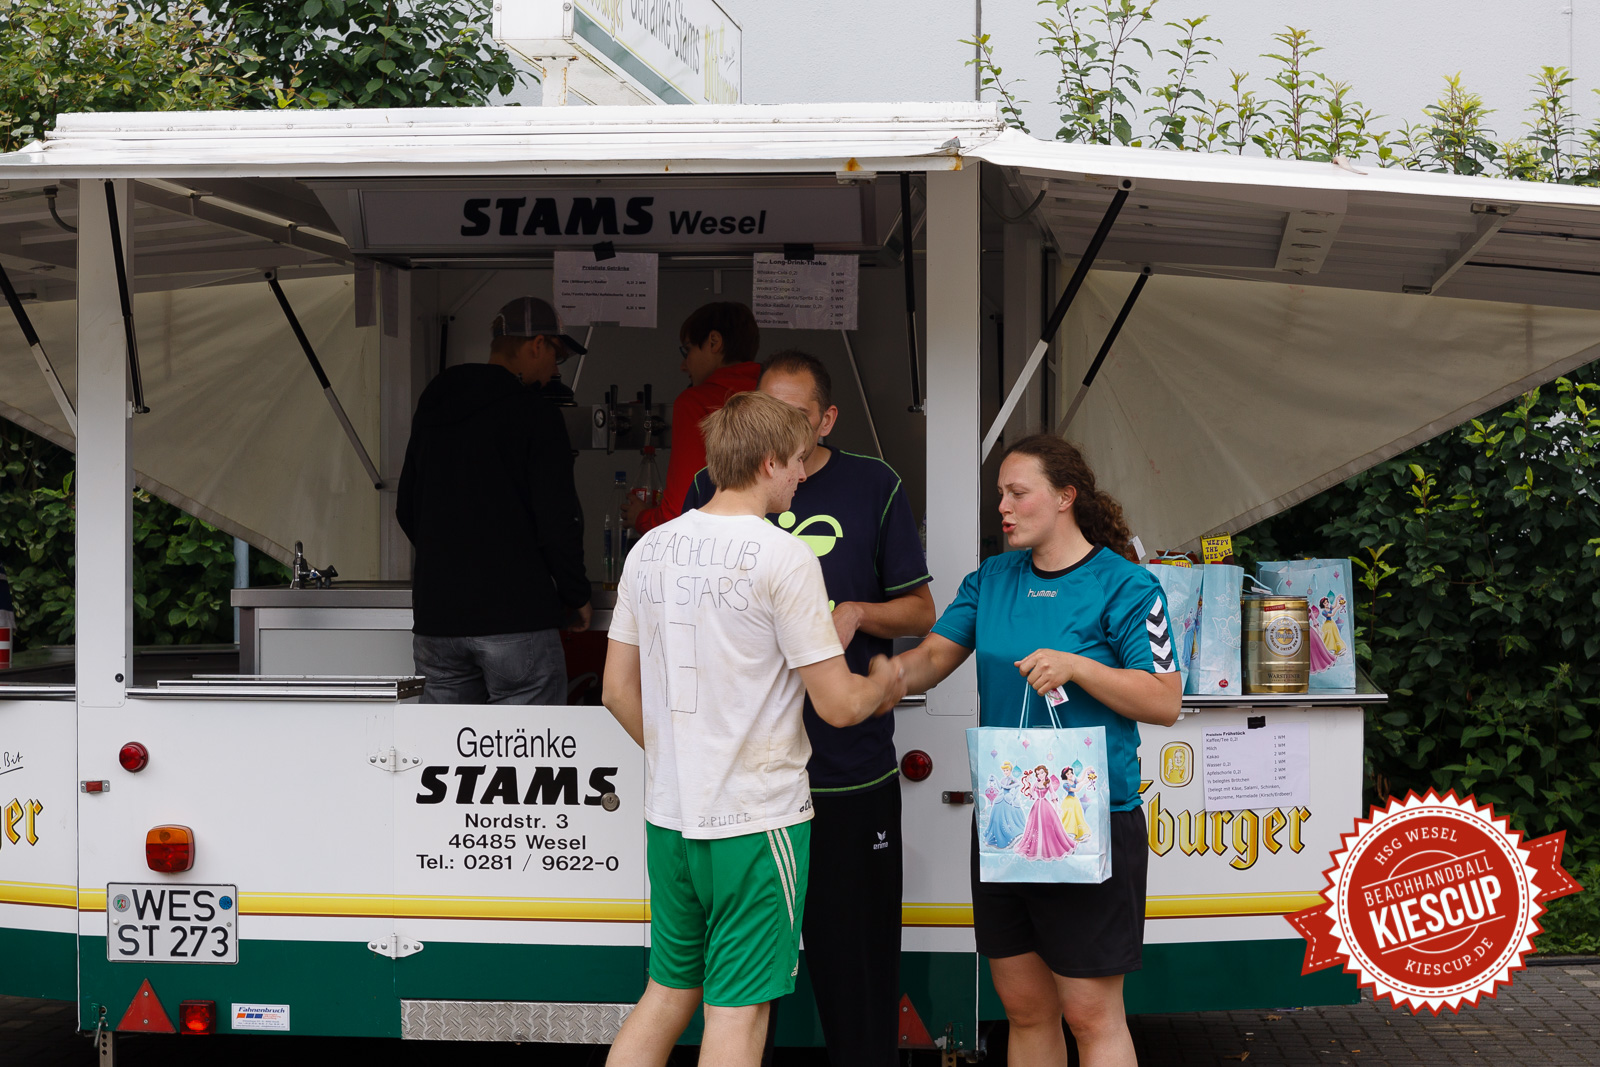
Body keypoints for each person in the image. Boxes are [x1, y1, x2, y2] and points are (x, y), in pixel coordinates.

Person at [602, 391, 905, 1067]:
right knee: (739, 1013)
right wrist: (883, 684)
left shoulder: (649, 548)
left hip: (671, 819)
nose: (803, 475)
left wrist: (687, 757)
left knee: (666, 994)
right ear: (768, 461)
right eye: (797, 462)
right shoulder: (785, 555)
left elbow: (617, 692)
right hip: (756, 821)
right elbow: (835, 704)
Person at [890, 434, 1182, 1067]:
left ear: (1065, 497)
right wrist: (872, 686)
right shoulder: (990, 579)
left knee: (1090, 1014)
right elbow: (933, 657)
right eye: (1001, 494)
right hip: (1006, 821)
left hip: (1094, 822)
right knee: (1023, 1009)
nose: (1004, 506)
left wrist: (1078, 666)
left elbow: (1164, 700)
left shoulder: (1128, 587)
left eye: (1018, 493)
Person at [682, 350, 934, 1067]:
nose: (776, 430)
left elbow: (922, 608)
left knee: (855, 978)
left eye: (794, 415)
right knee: (736, 985)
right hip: (748, 789)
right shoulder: (714, 486)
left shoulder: (873, 484)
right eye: (764, 407)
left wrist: (858, 612)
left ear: (826, 420)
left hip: (847, 773)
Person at [396, 296, 592, 705]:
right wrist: (575, 595)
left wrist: (452, 560)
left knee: (445, 758)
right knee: (528, 758)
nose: (556, 370)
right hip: (516, 620)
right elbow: (558, 521)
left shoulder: (434, 406)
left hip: (437, 620)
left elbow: (406, 507)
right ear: (536, 344)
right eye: (557, 355)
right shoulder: (536, 416)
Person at [625, 301, 761, 535]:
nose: (682, 365)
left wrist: (641, 518)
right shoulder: (775, 394)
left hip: (717, 550)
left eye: (687, 350)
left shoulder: (695, 402)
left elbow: (680, 510)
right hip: (775, 542)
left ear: (713, 342)